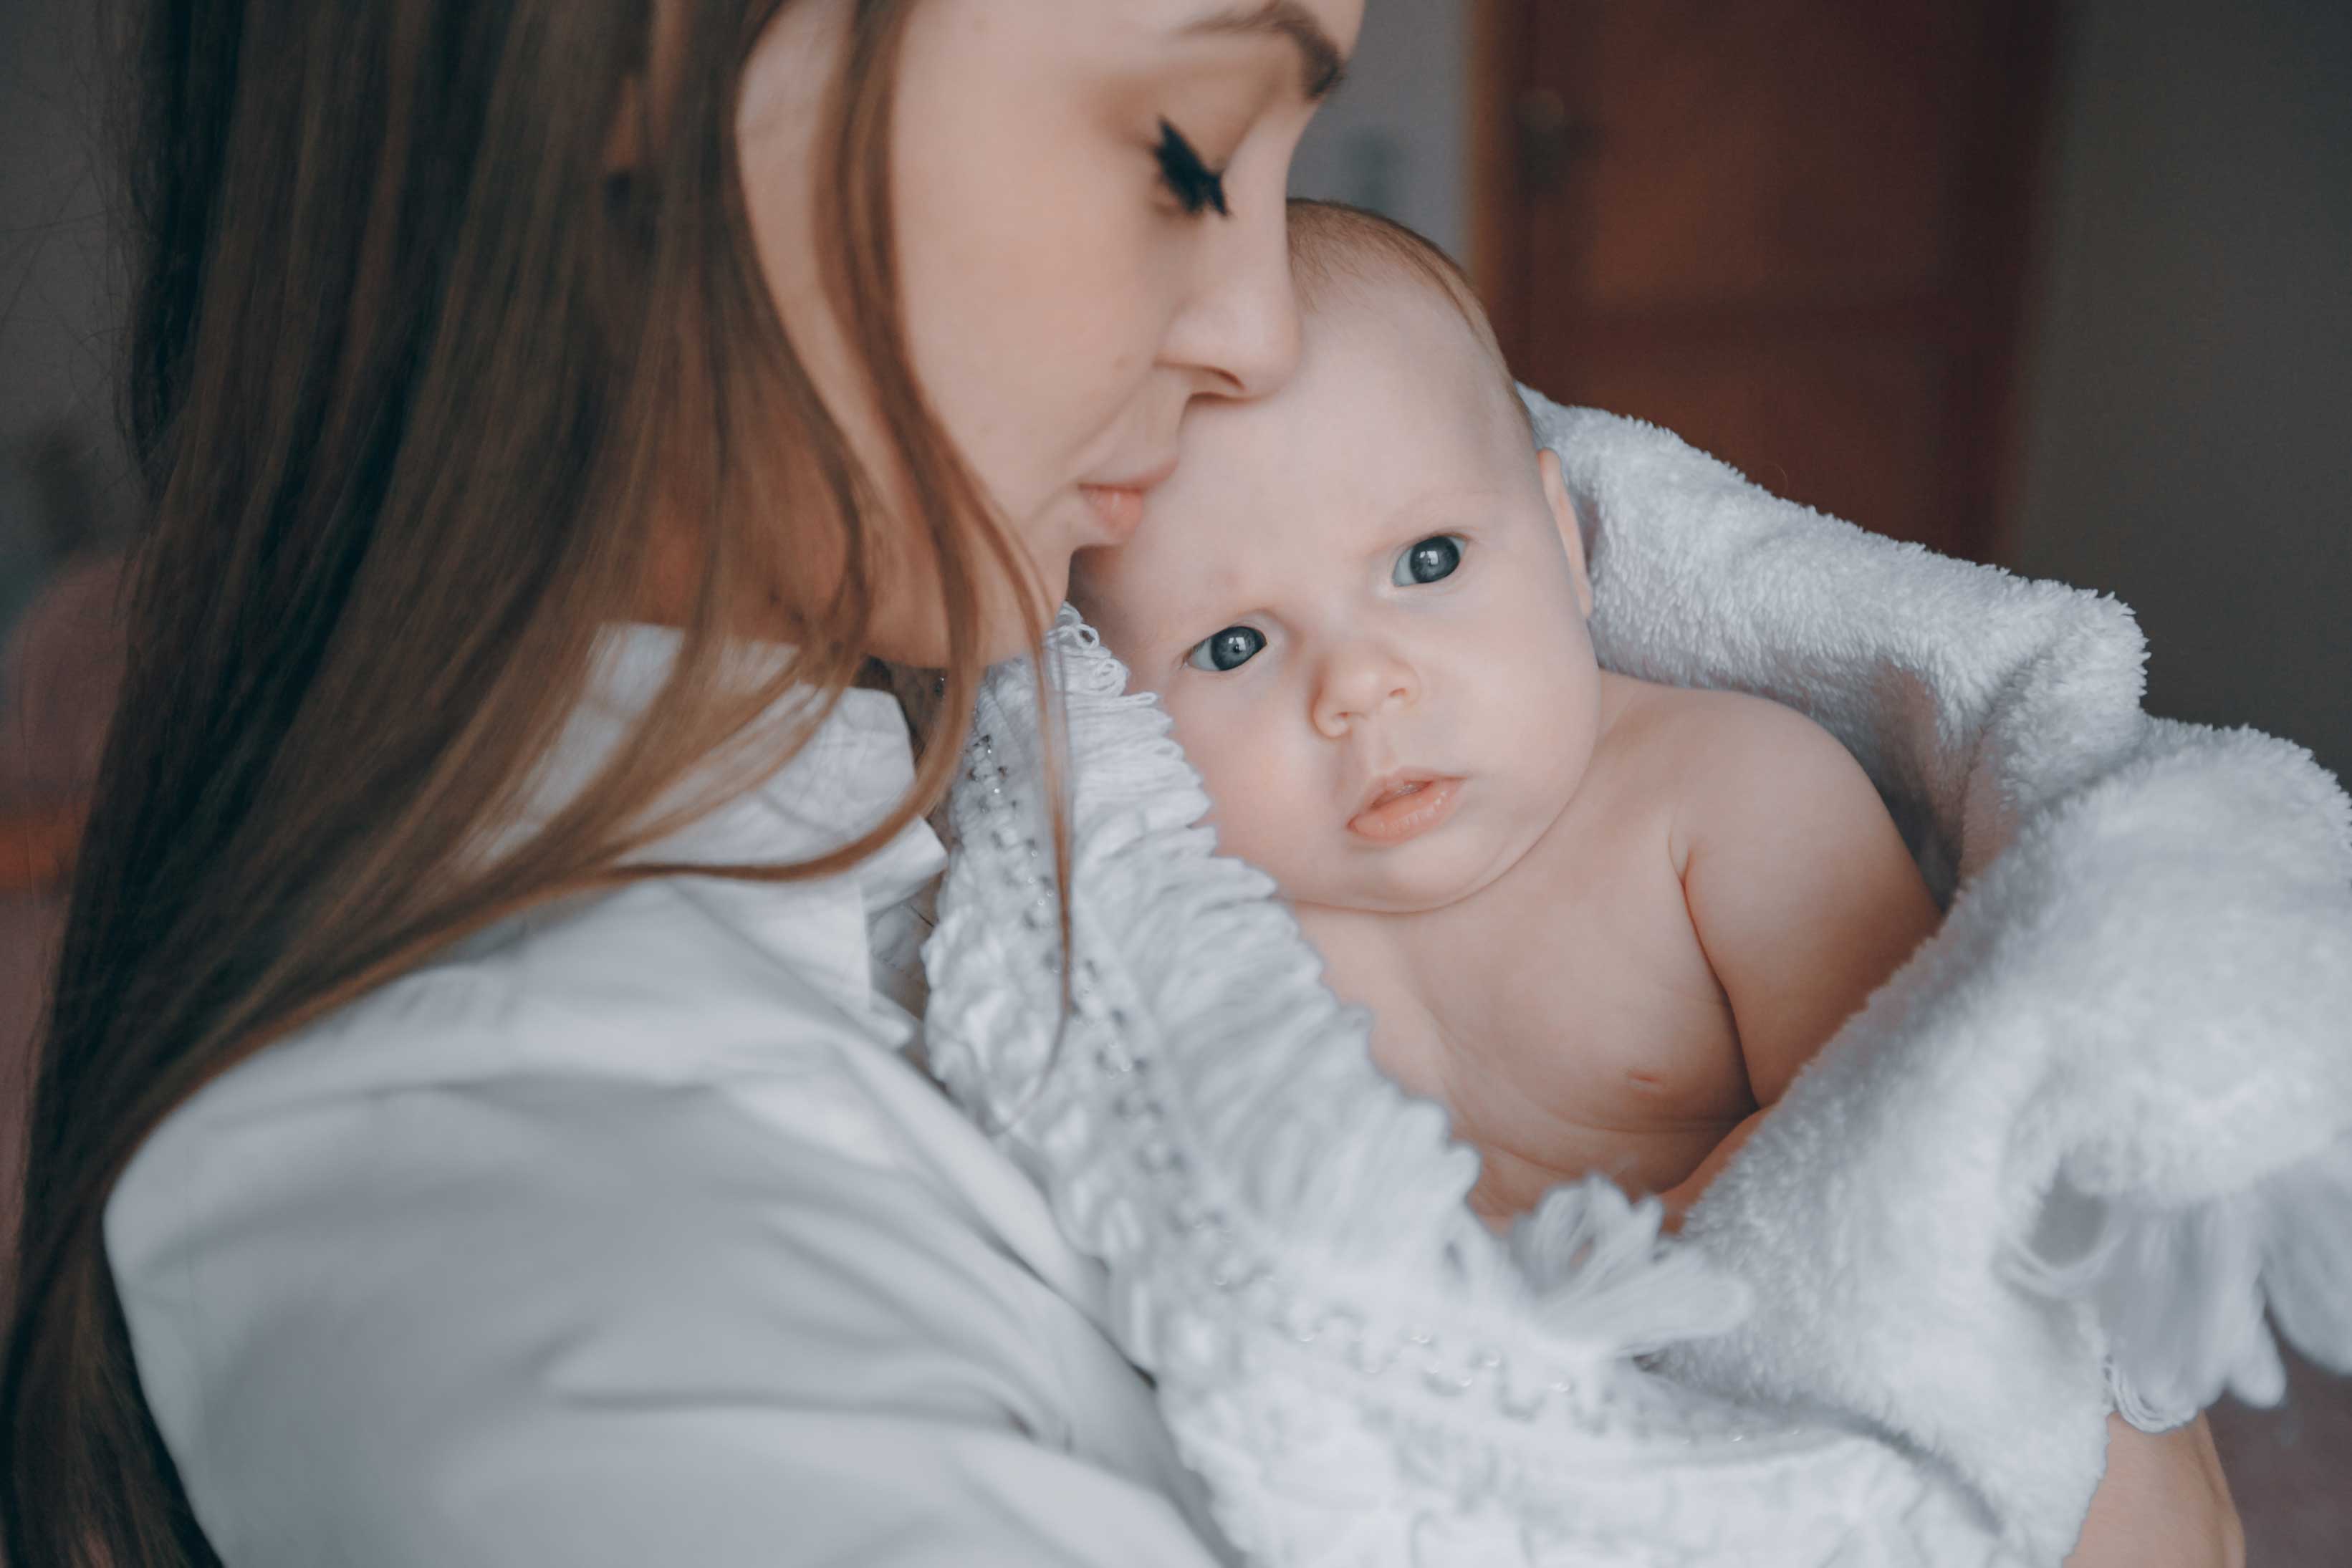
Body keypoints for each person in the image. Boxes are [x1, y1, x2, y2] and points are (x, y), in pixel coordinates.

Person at [0, 2, 2237, 1564]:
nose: (1254, 331)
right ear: (677, 60)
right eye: (1187, 145)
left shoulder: (907, 725)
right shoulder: (546, 1243)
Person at [1072, 201, 1944, 1229]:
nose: (1358, 685)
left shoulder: (1736, 796)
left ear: (1567, 545)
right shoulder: (1195, 929)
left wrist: (1594, 1293)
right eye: (1234, 644)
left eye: (1425, 561)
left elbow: (1902, 1134)